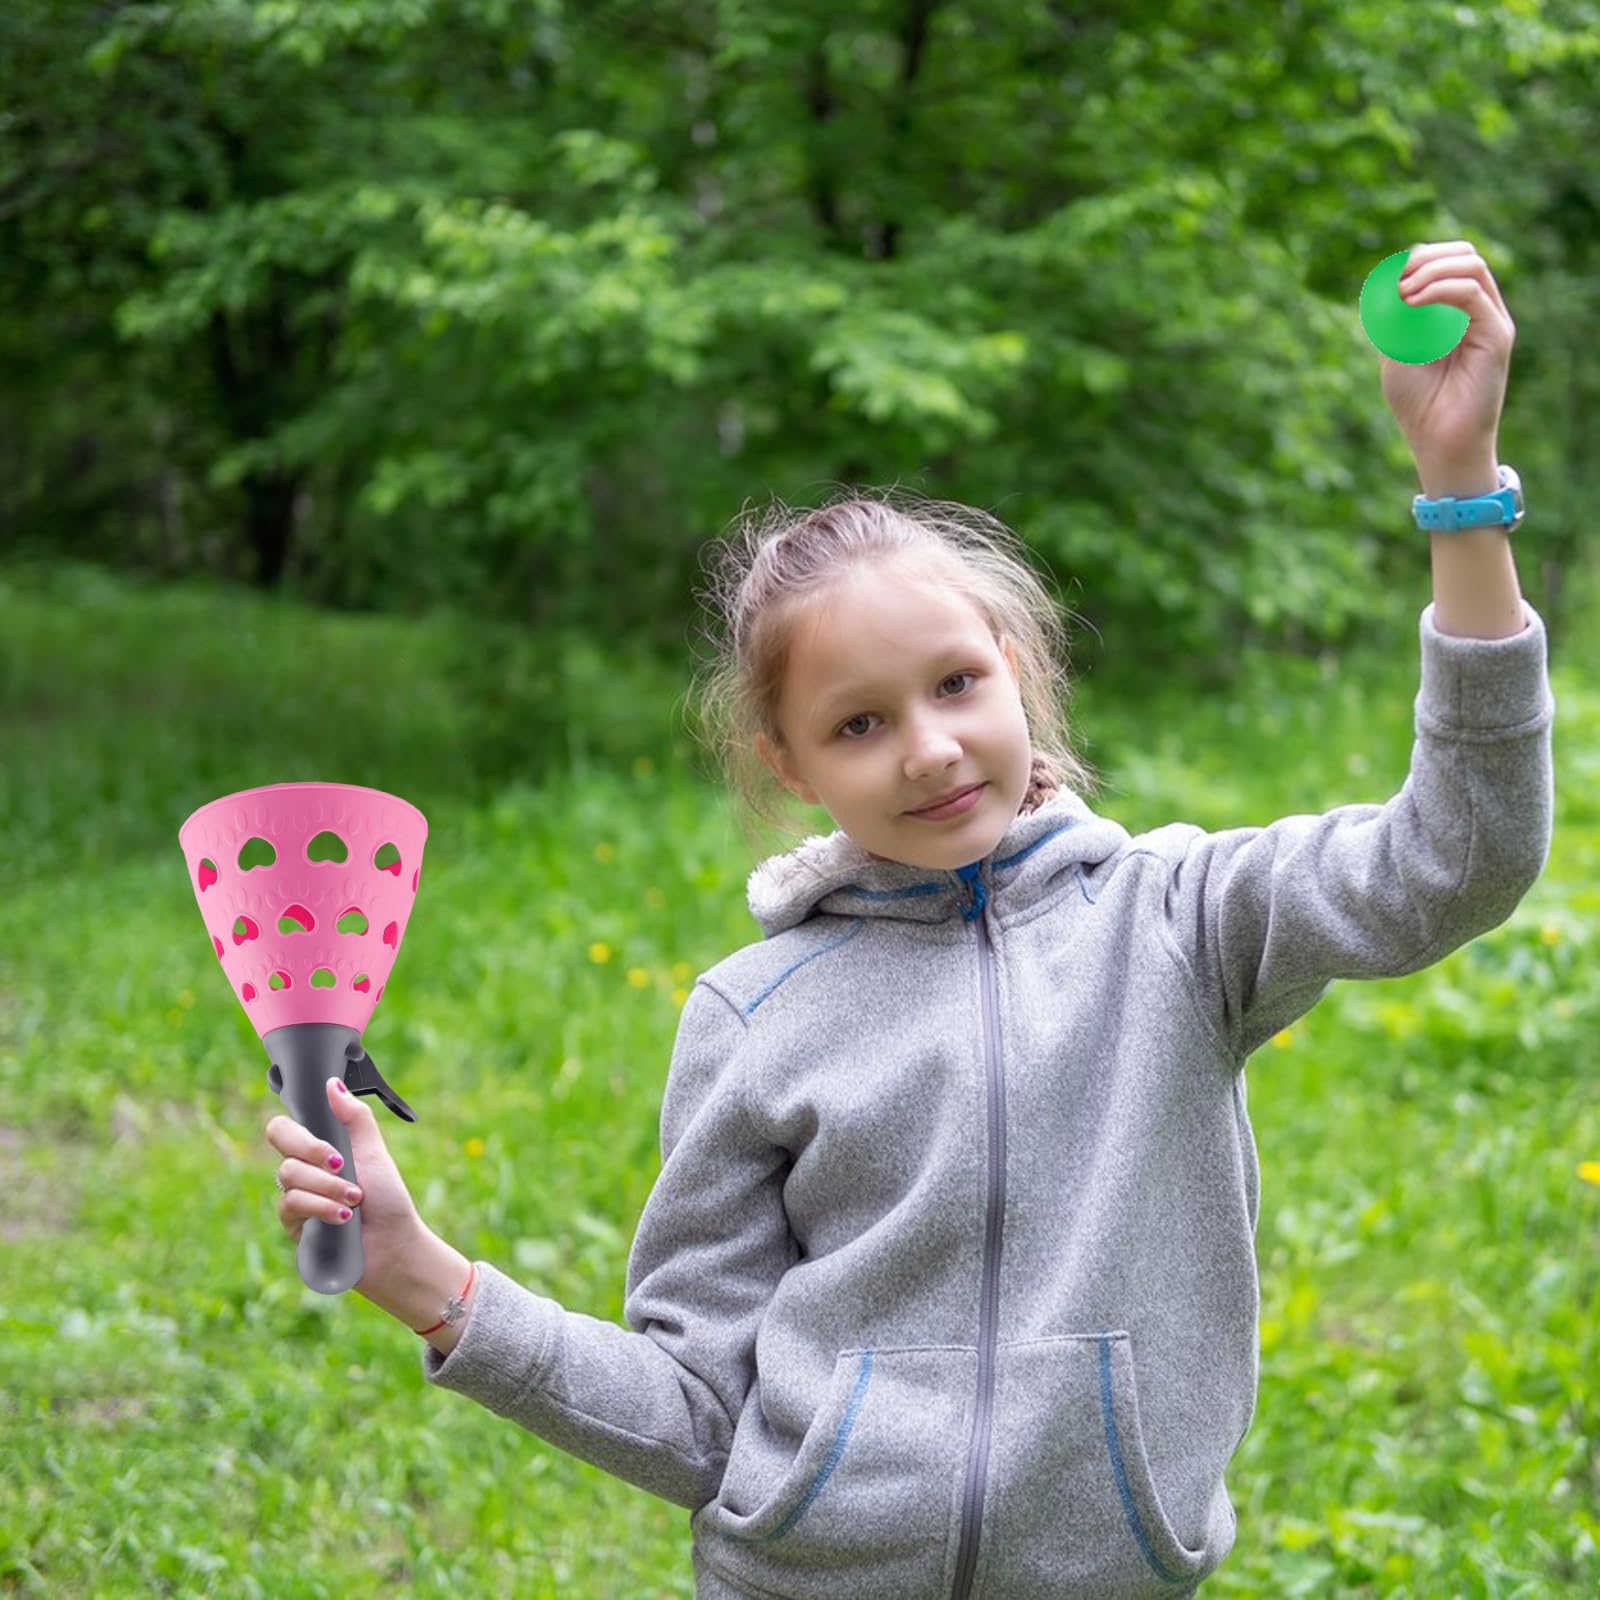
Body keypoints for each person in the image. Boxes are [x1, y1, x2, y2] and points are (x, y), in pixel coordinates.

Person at [267, 244, 1554, 1598]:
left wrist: (1460, 492)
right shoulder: (754, 1021)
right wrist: (428, 1280)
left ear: (1019, 670)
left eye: (954, 685)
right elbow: (699, 1416)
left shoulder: (1180, 923)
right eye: (861, 723)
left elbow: (1457, 856)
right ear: (788, 764)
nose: (931, 751)